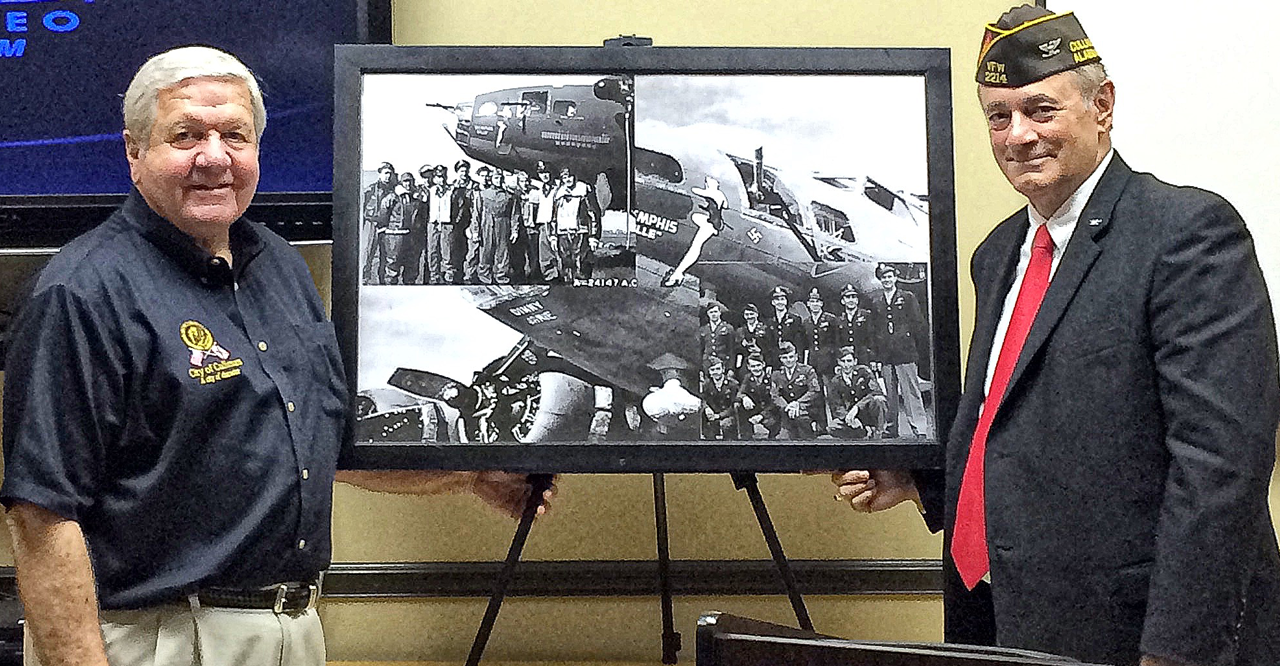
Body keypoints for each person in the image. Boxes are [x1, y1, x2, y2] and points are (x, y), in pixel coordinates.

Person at [0, 46, 552, 666]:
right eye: (186, 136)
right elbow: (41, 515)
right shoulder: (80, 294)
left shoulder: (280, 267)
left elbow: (316, 447)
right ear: (134, 153)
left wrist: (472, 475)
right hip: (160, 637)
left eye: (234, 135)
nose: (214, 157)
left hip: (293, 628)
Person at [832, 7, 1280, 666]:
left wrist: (1177, 650)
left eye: (1041, 110)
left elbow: (1221, 467)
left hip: (1134, 635)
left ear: (1103, 106)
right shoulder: (998, 253)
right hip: (998, 613)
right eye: (998, 116)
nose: (1018, 135)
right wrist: (923, 481)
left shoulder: (1186, 233)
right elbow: (1015, 423)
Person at [873, 264, 929, 438]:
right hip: (886, 355)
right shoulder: (877, 302)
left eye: (889, 276)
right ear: (880, 280)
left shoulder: (907, 297)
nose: (887, 280)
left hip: (905, 353)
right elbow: (875, 330)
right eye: (884, 277)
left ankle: (919, 428)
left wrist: (909, 341)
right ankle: (891, 428)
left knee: (911, 392)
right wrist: (877, 355)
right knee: (890, 395)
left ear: (895, 278)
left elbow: (918, 323)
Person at [551, 166, 601, 283]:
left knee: (582, 260)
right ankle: (567, 284)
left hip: (580, 232)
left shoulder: (583, 190)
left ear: (575, 177)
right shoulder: (559, 193)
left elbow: (593, 213)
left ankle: (583, 285)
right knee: (565, 261)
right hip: (563, 232)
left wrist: (593, 236)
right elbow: (554, 216)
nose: (568, 179)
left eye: (570, 176)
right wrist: (553, 235)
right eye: (564, 177)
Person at [826, 346, 886, 440]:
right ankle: (864, 432)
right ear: (838, 362)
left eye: (849, 361)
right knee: (832, 427)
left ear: (855, 361)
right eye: (843, 361)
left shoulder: (864, 372)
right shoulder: (835, 382)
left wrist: (857, 407)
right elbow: (836, 407)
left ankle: (878, 432)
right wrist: (849, 418)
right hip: (851, 417)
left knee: (879, 400)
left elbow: (876, 391)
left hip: (867, 412)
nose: (846, 365)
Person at [769, 341, 819, 440]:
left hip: (806, 408)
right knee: (784, 439)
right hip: (785, 410)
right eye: (785, 358)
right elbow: (775, 395)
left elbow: (814, 391)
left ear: (796, 357)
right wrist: (787, 406)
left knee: (802, 425)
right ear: (780, 359)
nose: (789, 360)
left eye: (791, 357)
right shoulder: (776, 374)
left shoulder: (807, 370)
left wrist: (798, 403)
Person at [475, 167, 517, 285]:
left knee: (503, 252)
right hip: (487, 224)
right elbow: (476, 214)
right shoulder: (482, 194)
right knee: (486, 251)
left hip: (503, 224)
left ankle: (501, 277)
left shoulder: (509, 196)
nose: (498, 180)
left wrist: (514, 230)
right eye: (496, 178)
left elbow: (515, 215)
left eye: (500, 178)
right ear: (491, 179)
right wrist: (475, 231)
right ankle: (484, 278)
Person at [360, 161, 396, 284]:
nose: (388, 176)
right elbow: (362, 209)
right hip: (371, 225)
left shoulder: (394, 191)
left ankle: (383, 282)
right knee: (367, 253)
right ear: (380, 174)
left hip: (386, 226)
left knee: (385, 256)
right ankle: (364, 279)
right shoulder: (370, 190)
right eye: (385, 173)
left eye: (390, 173)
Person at [733, 352, 780, 440]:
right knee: (738, 405)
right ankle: (745, 437)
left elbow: (775, 401)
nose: (756, 369)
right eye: (753, 366)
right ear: (748, 367)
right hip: (754, 409)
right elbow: (740, 393)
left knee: (774, 427)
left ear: (763, 365)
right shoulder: (748, 377)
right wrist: (744, 397)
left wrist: (762, 415)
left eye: (758, 365)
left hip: (769, 411)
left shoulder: (771, 378)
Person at [834, 283, 879, 366]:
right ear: (842, 301)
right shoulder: (839, 320)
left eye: (853, 297)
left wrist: (873, 359)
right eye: (848, 297)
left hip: (864, 357)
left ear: (857, 300)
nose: (851, 300)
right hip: (846, 360)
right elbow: (837, 342)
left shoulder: (866, 316)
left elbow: (872, 338)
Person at [424, 165, 455, 285]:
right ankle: (434, 275)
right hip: (433, 223)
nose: (440, 180)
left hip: (447, 224)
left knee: (447, 251)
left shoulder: (451, 190)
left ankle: (448, 275)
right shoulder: (429, 191)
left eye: (442, 177)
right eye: (438, 177)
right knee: (432, 250)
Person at [448, 159, 478, 284]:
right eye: (461, 171)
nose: (464, 173)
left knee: (471, 251)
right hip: (455, 224)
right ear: (457, 172)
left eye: (465, 171)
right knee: (455, 250)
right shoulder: (452, 187)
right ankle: (456, 276)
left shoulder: (474, 186)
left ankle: (469, 277)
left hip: (470, 222)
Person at [763, 285, 805, 370]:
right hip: (775, 362)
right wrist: (769, 364)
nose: (780, 302)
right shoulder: (770, 322)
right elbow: (769, 346)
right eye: (777, 300)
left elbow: (799, 343)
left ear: (786, 301)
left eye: (782, 299)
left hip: (791, 361)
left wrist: (799, 362)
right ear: (773, 302)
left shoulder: (795, 320)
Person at [699, 355, 740, 440]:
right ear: (709, 372)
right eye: (712, 370)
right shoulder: (706, 385)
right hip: (712, 416)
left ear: (723, 369)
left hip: (728, 416)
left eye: (718, 369)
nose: (716, 372)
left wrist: (719, 415)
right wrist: (706, 408)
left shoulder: (733, 384)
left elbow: (734, 405)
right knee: (708, 429)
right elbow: (702, 399)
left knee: (727, 425)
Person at [700, 301, 734, 369]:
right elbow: (701, 349)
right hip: (707, 364)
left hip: (723, 362)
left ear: (719, 313)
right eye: (711, 312)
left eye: (715, 312)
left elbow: (731, 349)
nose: (713, 314)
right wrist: (701, 368)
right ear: (708, 314)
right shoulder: (703, 329)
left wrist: (730, 368)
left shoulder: (728, 328)